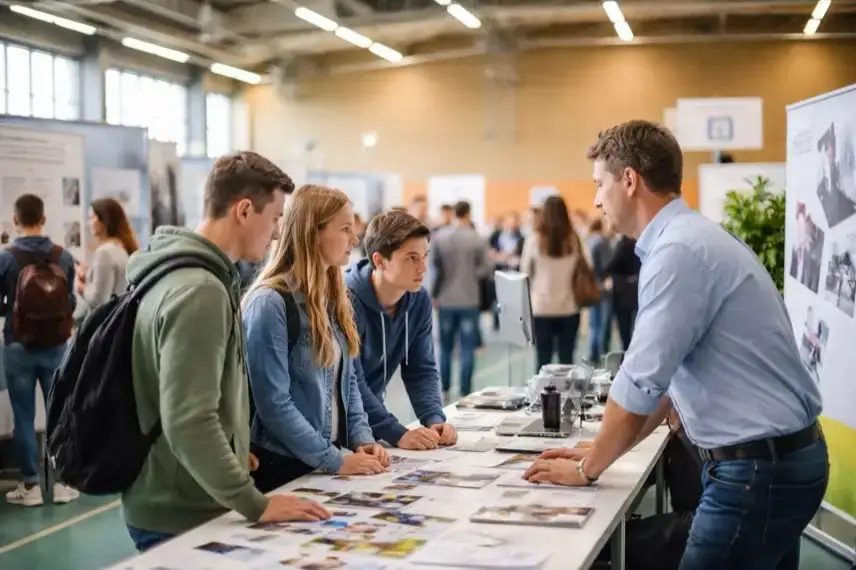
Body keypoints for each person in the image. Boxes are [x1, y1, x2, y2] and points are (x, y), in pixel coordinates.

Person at [524, 120, 826, 570]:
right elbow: (664, 388)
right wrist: (602, 448)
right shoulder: (690, 238)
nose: (596, 200)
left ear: (629, 180)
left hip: (757, 472)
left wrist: (588, 469)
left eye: (599, 184)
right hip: (777, 462)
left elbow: (639, 384)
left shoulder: (678, 252)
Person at [122, 151, 330, 552]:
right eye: (275, 219)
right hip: (183, 510)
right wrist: (254, 502)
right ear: (244, 210)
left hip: (180, 491)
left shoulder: (181, 274)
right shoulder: (200, 291)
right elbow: (189, 419)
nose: (276, 234)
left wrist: (232, 447)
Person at [243, 185, 390, 492]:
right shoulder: (270, 303)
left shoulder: (333, 298)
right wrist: (334, 460)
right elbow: (274, 404)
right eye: (345, 229)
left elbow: (347, 382)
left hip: (324, 460)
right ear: (313, 232)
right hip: (282, 467)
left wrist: (362, 438)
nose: (354, 239)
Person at [345, 210, 457, 450]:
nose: (423, 268)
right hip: (337, 426)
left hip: (369, 425)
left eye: (424, 256)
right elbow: (351, 383)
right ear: (379, 260)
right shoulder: (345, 301)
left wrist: (434, 419)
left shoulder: (419, 300)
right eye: (411, 258)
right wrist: (397, 433)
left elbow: (421, 369)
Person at [0, 194, 79, 507]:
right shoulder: (63, 257)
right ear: (44, 219)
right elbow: (71, 301)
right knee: (58, 414)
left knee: (23, 416)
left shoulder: (6, 258)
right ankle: (61, 484)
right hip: (56, 347)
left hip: (18, 347)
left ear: (16, 220)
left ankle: (30, 486)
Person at [430, 201, 492, 399]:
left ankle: (444, 387)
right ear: (468, 213)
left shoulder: (440, 237)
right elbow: (486, 269)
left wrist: (434, 294)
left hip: (446, 299)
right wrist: (471, 275)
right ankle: (465, 389)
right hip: (469, 299)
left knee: (445, 347)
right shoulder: (477, 238)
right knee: (467, 347)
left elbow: (434, 267)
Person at [520, 195, 583, 371]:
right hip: (569, 306)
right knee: (567, 360)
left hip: (541, 308)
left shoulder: (534, 240)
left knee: (542, 360)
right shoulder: (574, 240)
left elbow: (524, 273)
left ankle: (543, 389)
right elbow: (585, 267)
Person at [75, 198, 138, 316]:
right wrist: (88, 277)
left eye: (92, 218)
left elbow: (98, 302)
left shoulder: (104, 253)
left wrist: (82, 288)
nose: (89, 223)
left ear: (103, 221)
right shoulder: (121, 248)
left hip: (105, 322)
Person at [587, 217, 614, 363]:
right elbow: (595, 269)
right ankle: (596, 354)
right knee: (598, 325)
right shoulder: (600, 245)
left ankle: (598, 354)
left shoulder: (607, 244)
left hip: (601, 290)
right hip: (599, 289)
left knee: (600, 324)